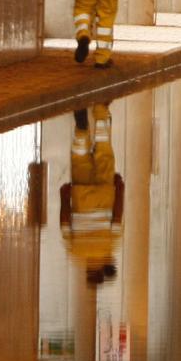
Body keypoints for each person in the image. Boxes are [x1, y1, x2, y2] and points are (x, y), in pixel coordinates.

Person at [61, 103, 125, 285]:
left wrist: (120, 189)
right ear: (89, 271)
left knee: (104, 154)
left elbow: (117, 216)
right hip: (81, 197)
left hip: (105, 195)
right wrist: (64, 197)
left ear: (101, 270)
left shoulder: (110, 247)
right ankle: (81, 131)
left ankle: (101, 111)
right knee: (80, 160)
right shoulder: (75, 251)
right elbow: (65, 221)